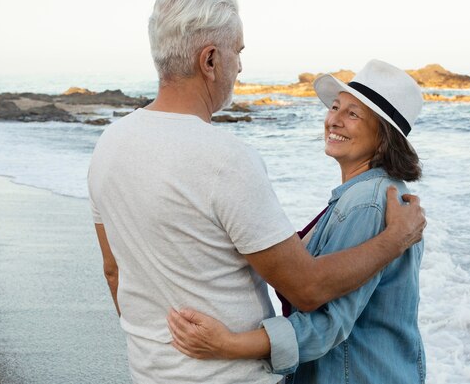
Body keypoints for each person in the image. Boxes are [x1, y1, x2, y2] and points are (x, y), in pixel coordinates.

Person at [87, 0, 425, 384]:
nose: (241, 67)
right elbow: (307, 288)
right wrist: (395, 239)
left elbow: (114, 272)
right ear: (210, 60)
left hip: (150, 372)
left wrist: (158, 348)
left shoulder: (108, 146)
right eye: (239, 52)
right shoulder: (225, 159)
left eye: (352, 113)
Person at [167, 59, 427, 383]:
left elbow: (326, 323)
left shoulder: (370, 203)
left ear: (384, 136)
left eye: (352, 114)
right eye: (335, 107)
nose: (334, 120)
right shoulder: (363, 195)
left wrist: (229, 345)